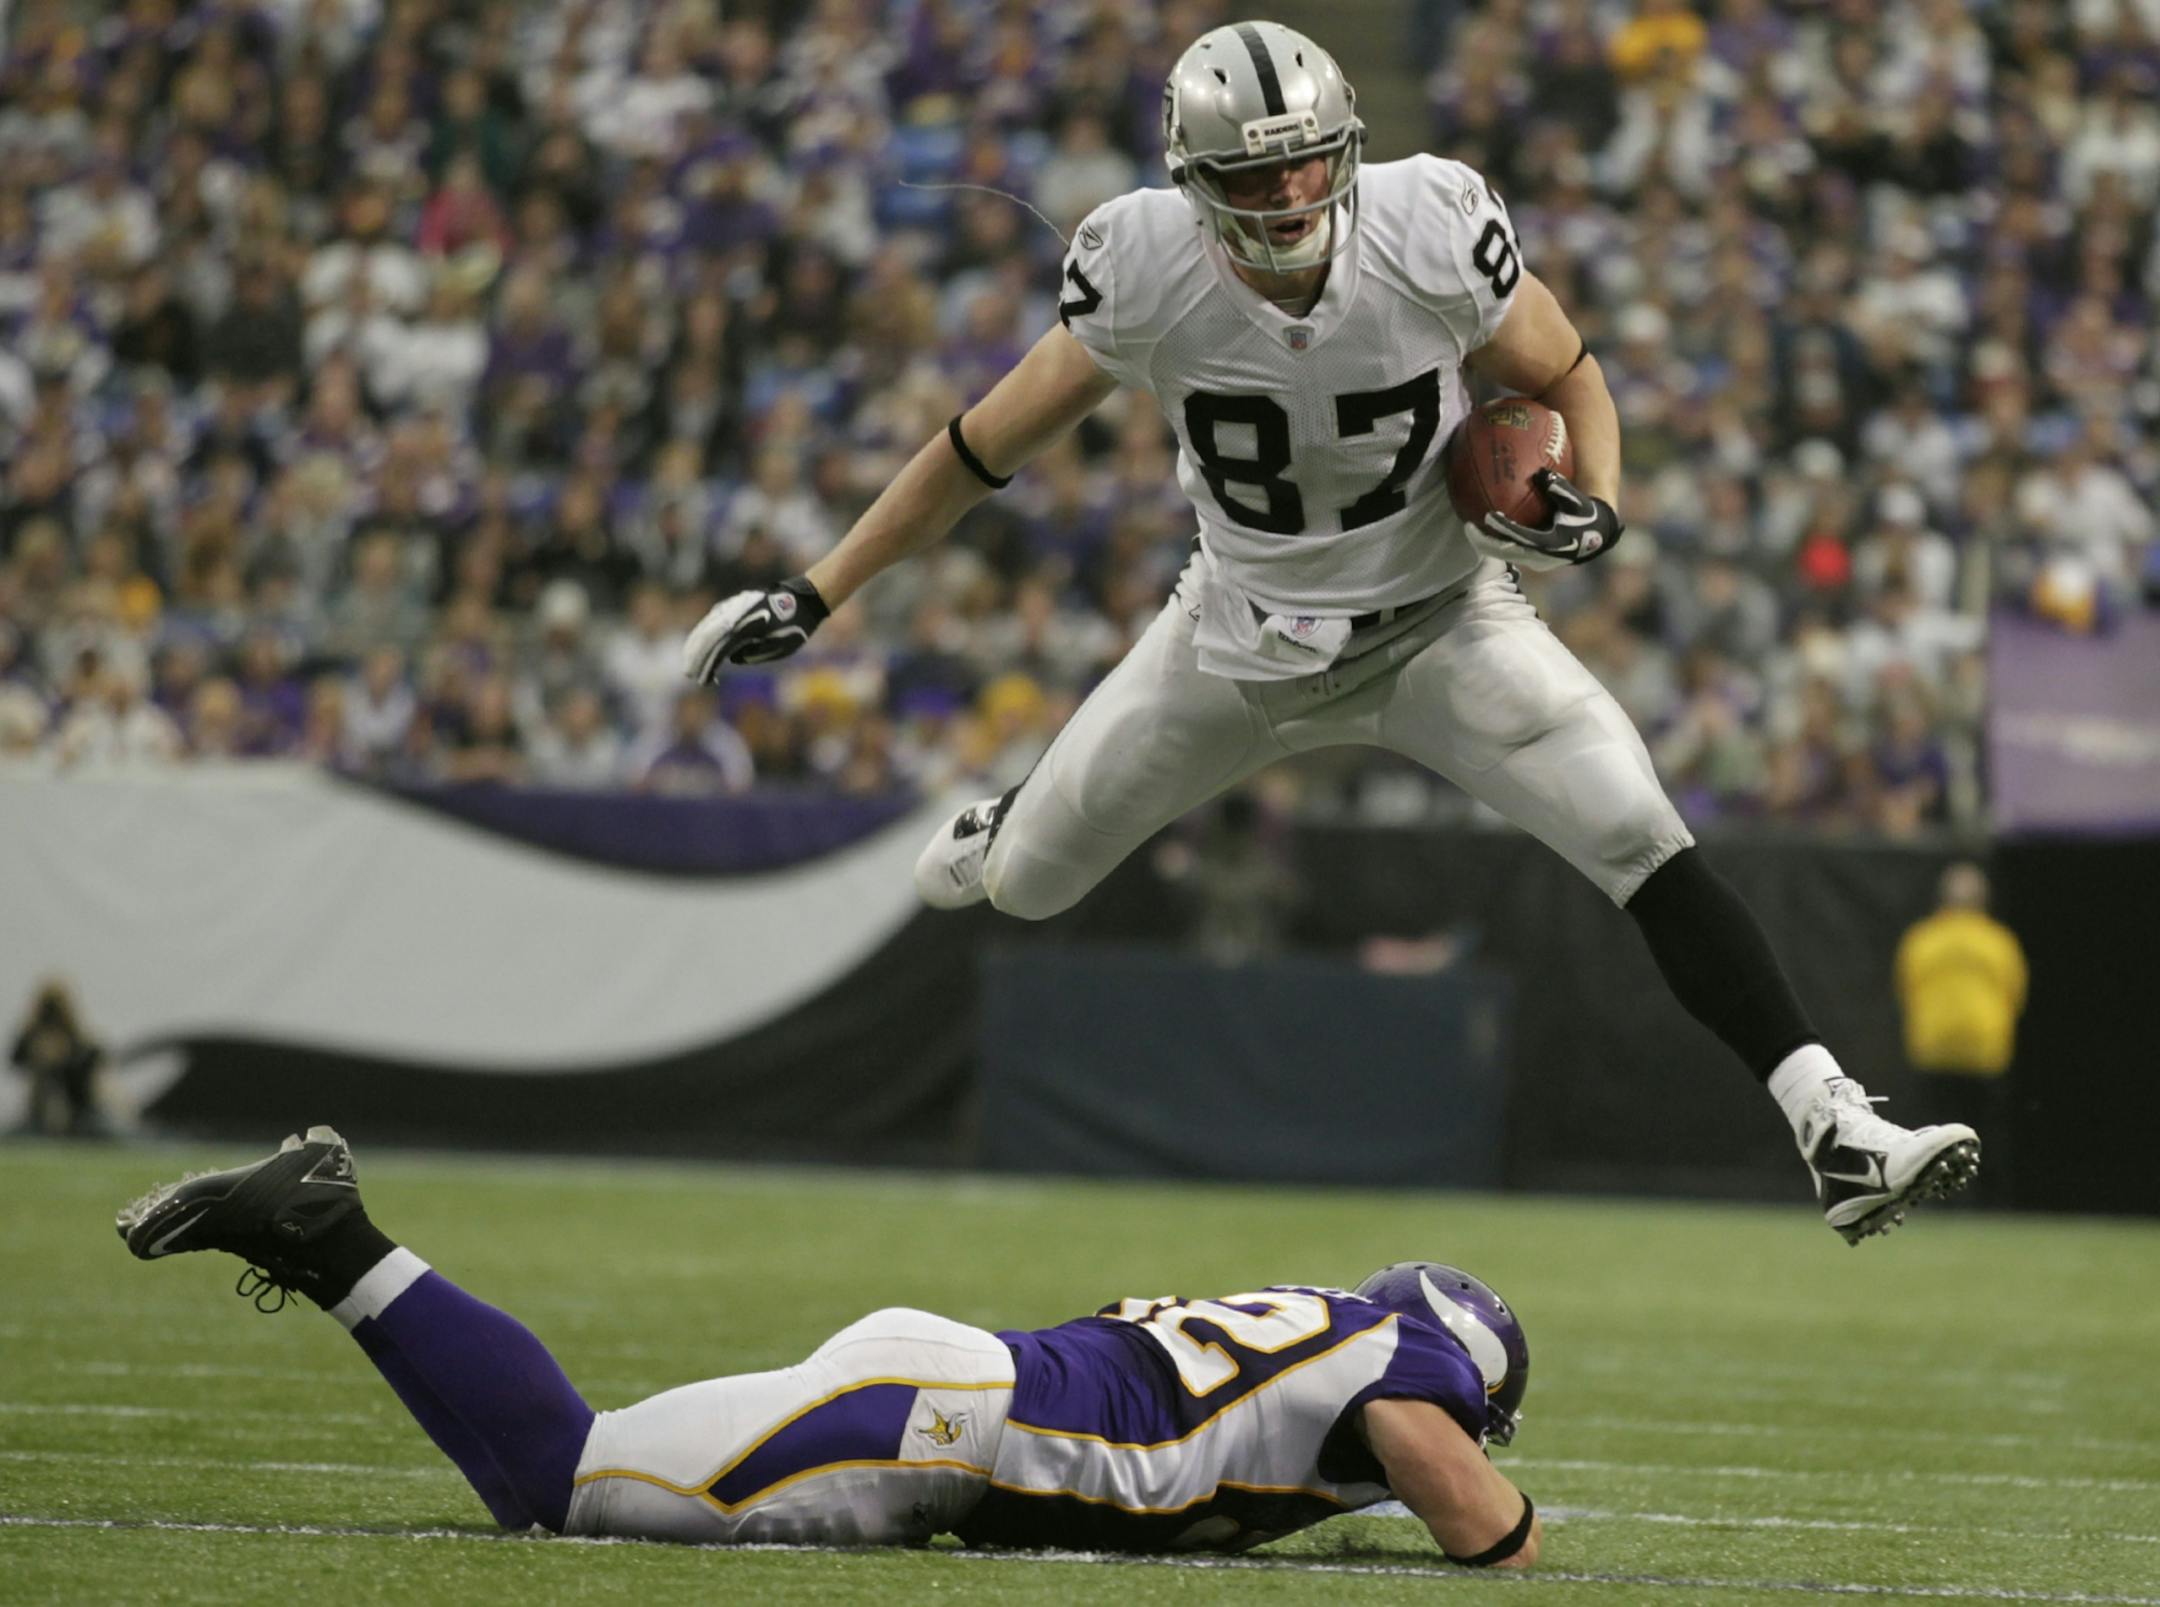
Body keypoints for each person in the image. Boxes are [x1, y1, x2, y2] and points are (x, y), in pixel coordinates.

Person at [680, 22, 1977, 1244]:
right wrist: (818, 587)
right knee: (1027, 884)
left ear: (1348, 143)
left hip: (1445, 621)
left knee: (1643, 836)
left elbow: (1568, 373)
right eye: (1257, 173)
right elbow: (977, 447)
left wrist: (1603, 504)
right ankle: (1004, 821)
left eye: (1309, 158)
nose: (1294, 193)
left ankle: (1833, 1124)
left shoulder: (1430, 222)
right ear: (1193, 183)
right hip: (1235, 638)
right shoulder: (1139, 267)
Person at [117, 1127, 1539, 1565]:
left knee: (555, 1489)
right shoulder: (1409, 1364)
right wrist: (1514, 1536)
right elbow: (1451, 1477)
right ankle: (330, 1230)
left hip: (955, 1392)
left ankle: (334, 1245)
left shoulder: (1330, 1331)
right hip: (944, 1421)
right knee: (568, 1480)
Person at [1895, 862, 2027, 1204]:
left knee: (1932, 1135)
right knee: (1984, 1134)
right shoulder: (1998, 942)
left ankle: (1934, 1200)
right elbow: (2015, 992)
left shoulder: (1922, 938)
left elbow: (1906, 989)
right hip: (1984, 1050)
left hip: (1933, 1048)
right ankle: (1986, 1202)